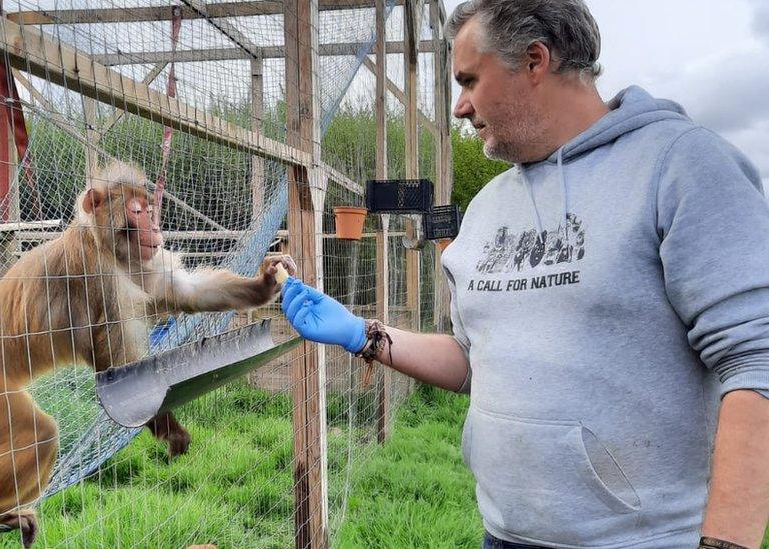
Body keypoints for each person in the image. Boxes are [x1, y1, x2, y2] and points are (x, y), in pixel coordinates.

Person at [280, 0, 769, 547]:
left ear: (534, 61)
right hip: (504, 534)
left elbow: (757, 361)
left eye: (469, 79)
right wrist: (364, 334)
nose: (460, 106)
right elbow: (474, 358)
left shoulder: (680, 165)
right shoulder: (490, 206)